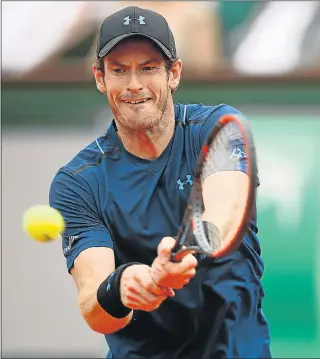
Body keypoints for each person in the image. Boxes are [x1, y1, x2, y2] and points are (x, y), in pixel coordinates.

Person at [49, 6, 271, 359]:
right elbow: (94, 308)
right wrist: (121, 288)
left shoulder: (219, 127)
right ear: (100, 77)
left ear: (174, 73)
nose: (134, 84)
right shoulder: (77, 182)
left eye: (148, 67)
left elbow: (225, 211)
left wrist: (180, 253)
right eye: (119, 70)